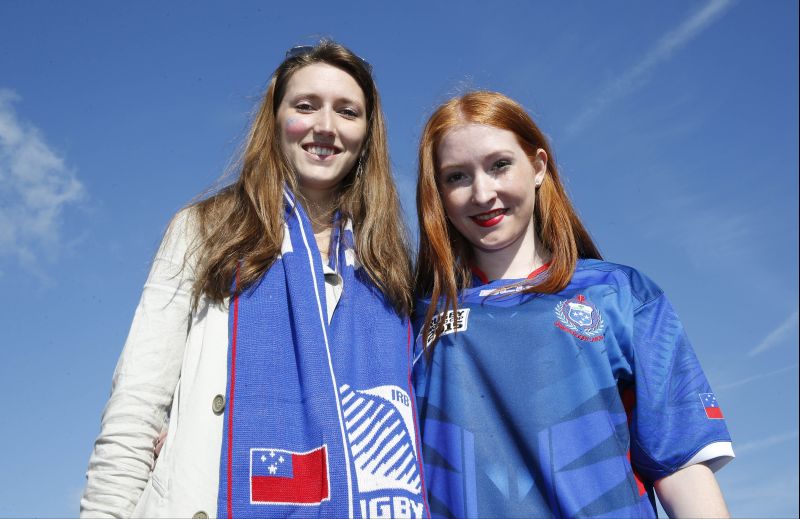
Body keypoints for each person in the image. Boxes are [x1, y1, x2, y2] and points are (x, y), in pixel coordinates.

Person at [81, 40, 429, 519]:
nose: (325, 126)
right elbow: (136, 407)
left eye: (347, 112)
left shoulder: (390, 277)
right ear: (275, 119)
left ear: (368, 134)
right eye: (305, 106)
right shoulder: (205, 230)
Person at [412, 91, 733, 518]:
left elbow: (679, 466)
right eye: (457, 176)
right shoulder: (413, 317)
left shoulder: (620, 293)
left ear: (539, 166)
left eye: (499, 165)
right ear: (438, 192)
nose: (482, 192)